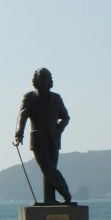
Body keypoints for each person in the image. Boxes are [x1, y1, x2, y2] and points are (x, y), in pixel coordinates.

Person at [14, 67, 73, 204]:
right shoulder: (29, 97)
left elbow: (65, 117)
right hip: (38, 139)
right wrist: (19, 134)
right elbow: (22, 116)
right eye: (40, 78)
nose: (42, 81)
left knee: (49, 171)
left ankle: (49, 200)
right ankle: (66, 193)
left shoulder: (56, 98)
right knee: (47, 168)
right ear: (36, 80)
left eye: (45, 78)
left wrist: (59, 128)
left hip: (54, 138)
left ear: (49, 81)